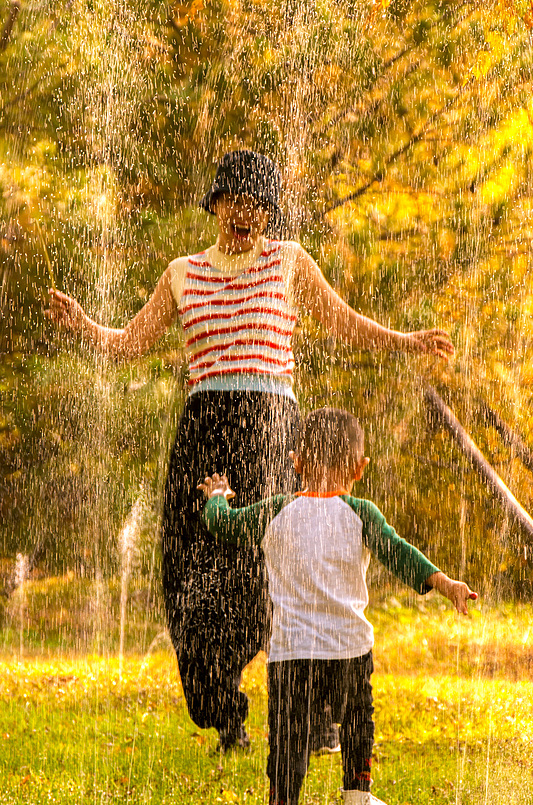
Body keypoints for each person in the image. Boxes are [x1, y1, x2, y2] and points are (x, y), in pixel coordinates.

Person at [45, 151, 454, 753]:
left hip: (270, 427)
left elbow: (344, 322)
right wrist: (83, 325)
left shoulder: (287, 261)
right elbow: (128, 344)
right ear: (215, 205)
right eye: (236, 203)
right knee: (193, 569)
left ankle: (315, 712)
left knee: (280, 563)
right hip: (204, 432)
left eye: (259, 207)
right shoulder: (182, 273)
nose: (247, 216)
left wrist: (406, 341)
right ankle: (225, 715)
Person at [197, 407, 477, 805]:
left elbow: (224, 525)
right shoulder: (361, 512)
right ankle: (357, 796)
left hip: (291, 653)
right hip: (349, 649)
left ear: (295, 462)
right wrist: (444, 583)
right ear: (360, 467)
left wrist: (218, 495)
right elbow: (399, 554)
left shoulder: (274, 510)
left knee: (289, 737)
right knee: (356, 720)